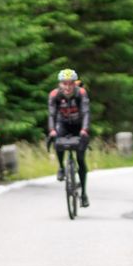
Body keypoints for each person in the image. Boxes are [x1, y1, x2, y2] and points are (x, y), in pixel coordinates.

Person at [48, 68, 90, 208]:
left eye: (70, 83)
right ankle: (61, 167)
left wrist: (84, 129)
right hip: (63, 123)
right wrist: (52, 130)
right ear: (60, 84)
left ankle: (83, 194)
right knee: (57, 139)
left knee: (80, 159)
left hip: (78, 125)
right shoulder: (54, 95)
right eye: (64, 83)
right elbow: (52, 114)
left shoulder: (81, 93)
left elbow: (86, 112)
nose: (67, 86)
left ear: (75, 83)